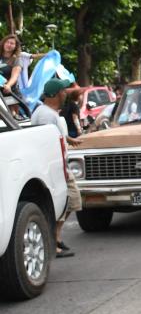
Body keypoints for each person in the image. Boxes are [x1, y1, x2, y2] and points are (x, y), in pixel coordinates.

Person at [31, 78, 81, 258]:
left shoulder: (47, 112)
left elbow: (53, 135)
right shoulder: (46, 115)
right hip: (56, 168)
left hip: (59, 166)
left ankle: (56, 238)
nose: (66, 93)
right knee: (70, 200)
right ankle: (53, 240)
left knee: (71, 201)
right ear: (56, 94)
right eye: (63, 90)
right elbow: (45, 143)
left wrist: (69, 140)